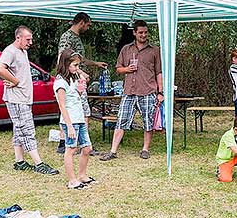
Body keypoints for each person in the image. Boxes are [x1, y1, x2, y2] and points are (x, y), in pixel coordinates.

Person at [0, 26, 59, 175]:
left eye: (31, 39)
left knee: (19, 130)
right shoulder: (10, 51)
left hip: (23, 98)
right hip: (16, 99)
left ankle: (20, 162)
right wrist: (15, 81)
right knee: (27, 130)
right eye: (27, 39)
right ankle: (39, 163)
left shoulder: (22, 51)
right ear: (18, 38)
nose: (30, 42)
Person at [100, 20, 163, 161]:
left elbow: (159, 72)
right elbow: (118, 68)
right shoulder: (126, 49)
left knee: (148, 122)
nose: (143, 35)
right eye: (140, 32)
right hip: (129, 91)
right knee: (121, 120)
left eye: (145, 32)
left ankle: (145, 149)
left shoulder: (154, 50)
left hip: (148, 91)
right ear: (134, 33)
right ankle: (113, 151)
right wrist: (127, 69)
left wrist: (160, 92)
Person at [56, 12, 108, 154]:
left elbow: (80, 60)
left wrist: (96, 64)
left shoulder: (76, 38)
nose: (88, 28)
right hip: (71, 80)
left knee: (81, 109)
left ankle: (70, 142)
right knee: (81, 110)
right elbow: (63, 60)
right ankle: (80, 143)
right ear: (82, 22)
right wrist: (81, 73)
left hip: (77, 79)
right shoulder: (67, 37)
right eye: (88, 24)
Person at [54, 49, 96, 189]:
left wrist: (80, 85)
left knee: (87, 148)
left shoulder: (72, 78)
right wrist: (69, 126)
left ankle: (82, 175)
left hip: (79, 119)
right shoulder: (60, 82)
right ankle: (72, 180)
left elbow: (76, 95)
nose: (78, 68)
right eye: (75, 65)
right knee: (71, 149)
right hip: (70, 121)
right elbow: (62, 105)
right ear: (66, 64)